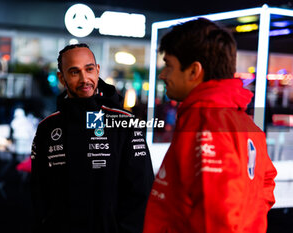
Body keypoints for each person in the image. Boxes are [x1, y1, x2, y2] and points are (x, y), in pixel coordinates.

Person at [143, 18, 277, 233]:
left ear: (194, 71)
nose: (163, 74)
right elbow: (265, 183)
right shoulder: (242, 120)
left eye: (168, 65)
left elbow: (214, 215)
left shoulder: (206, 120)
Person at [31, 43, 154, 233]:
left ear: (97, 70)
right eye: (74, 72)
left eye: (89, 69)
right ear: (61, 78)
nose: (84, 78)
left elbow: (141, 192)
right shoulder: (47, 128)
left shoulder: (125, 123)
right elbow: (38, 193)